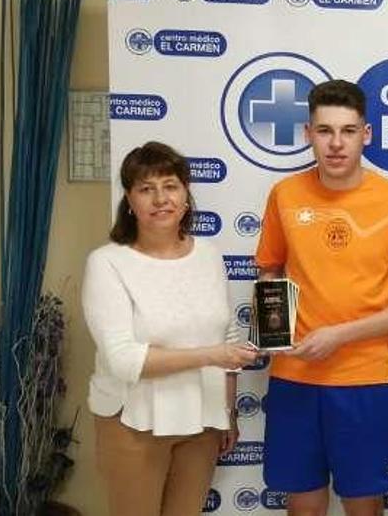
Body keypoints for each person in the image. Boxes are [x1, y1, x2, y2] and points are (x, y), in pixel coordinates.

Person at [254, 79, 388, 516]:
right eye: (325, 131)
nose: (336, 144)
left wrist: (340, 335)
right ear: (308, 134)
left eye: (348, 131)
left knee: (364, 507)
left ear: (366, 134)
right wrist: (271, 331)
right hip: (295, 377)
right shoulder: (285, 194)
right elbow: (269, 269)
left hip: (364, 381)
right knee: (303, 506)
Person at [82, 141, 258, 516]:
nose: (160, 198)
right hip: (133, 421)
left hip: (202, 420)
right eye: (146, 189)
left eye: (171, 186)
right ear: (129, 201)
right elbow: (125, 360)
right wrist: (211, 356)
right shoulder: (107, 263)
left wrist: (228, 412)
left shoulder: (209, 255)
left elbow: (224, 336)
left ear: (186, 195)